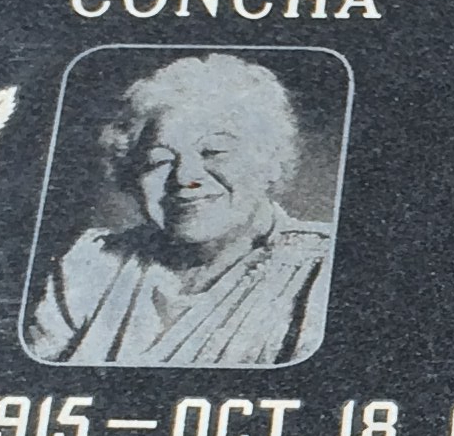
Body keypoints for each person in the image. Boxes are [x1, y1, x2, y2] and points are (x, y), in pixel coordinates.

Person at [28, 53, 333, 366]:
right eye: (159, 161)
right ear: (132, 176)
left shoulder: (323, 271)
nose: (185, 177)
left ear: (269, 162)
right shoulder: (93, 263)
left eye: (213, 151)